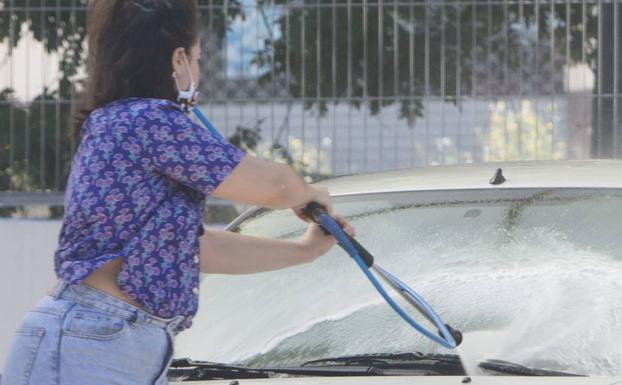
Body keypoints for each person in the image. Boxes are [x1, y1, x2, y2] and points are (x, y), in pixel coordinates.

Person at [1, 1, 355, 384]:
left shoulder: (122, 123)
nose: (198, 74)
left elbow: (194, 248)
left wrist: (304, 251)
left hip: (104, 338)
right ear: (179, 59)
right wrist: (308, 193)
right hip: (94, 340)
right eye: (198, 59)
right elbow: (278, 187)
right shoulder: (148, 121)